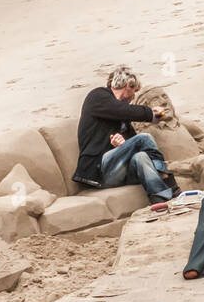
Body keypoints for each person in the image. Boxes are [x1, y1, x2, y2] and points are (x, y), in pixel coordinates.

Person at [73, 65, 183, 210]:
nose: (134, 97)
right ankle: (167, 179)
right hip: (97, 171)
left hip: (117, 173)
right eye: (135, 91)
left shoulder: (122, 117)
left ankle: (160, 198)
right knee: (144, 138)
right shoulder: (98, 96)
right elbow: (122, 111)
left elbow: (133, 144)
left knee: (141, 156)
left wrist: (122, 145)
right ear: (128, 86)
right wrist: (151, 114)